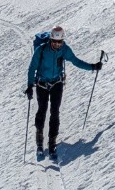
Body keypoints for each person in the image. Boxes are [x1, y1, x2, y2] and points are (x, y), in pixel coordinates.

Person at [24, 26, 101, 159]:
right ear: (50, 40)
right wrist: (30, 85)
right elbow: (32, 68)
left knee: (55, 112)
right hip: (42, 83)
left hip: (57, 83)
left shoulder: (64, 49)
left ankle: (52, 144)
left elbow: (76, 61)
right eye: (54, 41)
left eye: (59, 42)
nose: (57, 45)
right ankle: (39, 144)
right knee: (42, 111)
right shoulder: (41, 50)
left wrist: (92, 67)